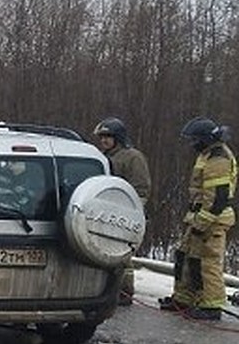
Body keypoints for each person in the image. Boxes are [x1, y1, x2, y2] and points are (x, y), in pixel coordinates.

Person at [159, 116, 237, 320]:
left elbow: (217, 198)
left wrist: (202, 223)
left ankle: (211, 306)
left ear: (205, 139)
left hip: (213, 219)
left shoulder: (218, 158)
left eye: (194, 140)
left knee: (207, 262)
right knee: (185, 257)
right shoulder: (207, 154)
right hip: (198, 216)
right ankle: (183, 299)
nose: (192, 144)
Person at [92, 117, 152, 304]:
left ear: (118, 137)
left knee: (123, 256)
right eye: (101, 137)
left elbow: (142, 188)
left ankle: (125, 292)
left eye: (108, 137)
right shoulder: (103, 157)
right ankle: (105, 291)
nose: (103, 140)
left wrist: (132, 212)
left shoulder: (132, 157)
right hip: (103, 213)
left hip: (124, 214)